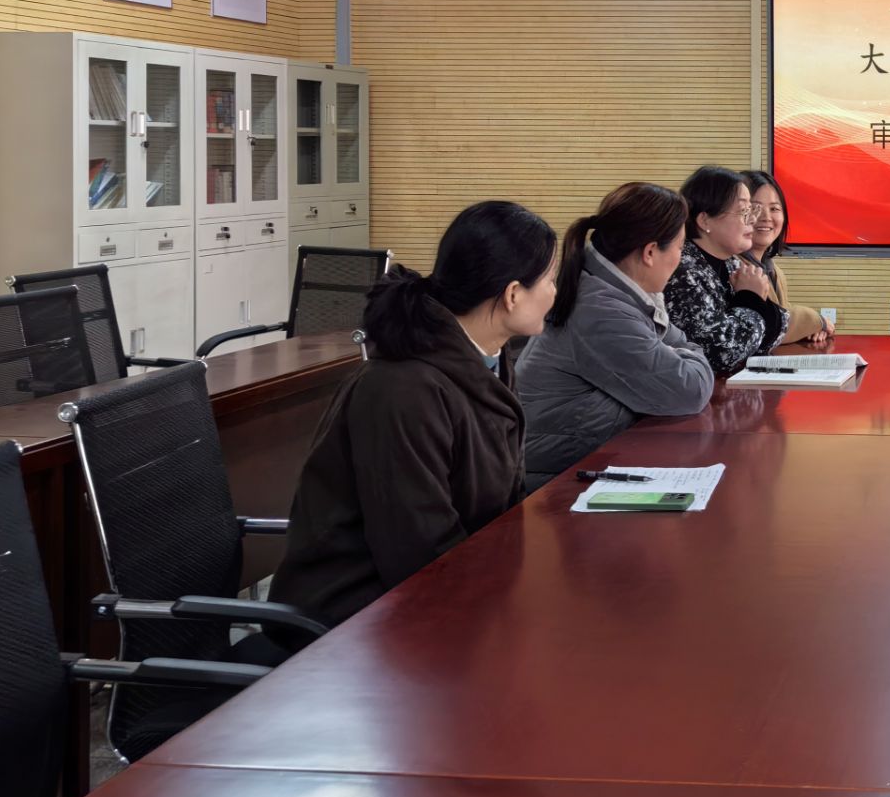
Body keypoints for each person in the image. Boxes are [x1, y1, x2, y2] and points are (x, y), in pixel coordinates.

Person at [268, 201, 557, 640]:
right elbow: (418, 549)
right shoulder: (403, 389)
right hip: (357, 620)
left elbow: (499, 507)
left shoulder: (486, 359)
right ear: (513, 294)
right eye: (550, 279)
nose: (555, 292)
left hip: (447, 594)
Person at [516, 182, 716, 485]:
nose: (681, 258)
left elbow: (684, 349)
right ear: (650, 252)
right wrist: (678, 354)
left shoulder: (614, 290)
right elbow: (690, 389)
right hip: (556, 486)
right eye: (680, 247)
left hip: (590, 467)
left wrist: (676, 354)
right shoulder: (601, 311)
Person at [663, 165, 788, 377]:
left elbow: (776, 330)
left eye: (750, 211)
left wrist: (752, 309)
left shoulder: (733, 264)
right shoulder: (683, 271)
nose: (752, 220)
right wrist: (750, 298)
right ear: (704, 220)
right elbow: (722, 354)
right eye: (743, 211)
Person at [738, 169, 833, 346]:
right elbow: (768, 325)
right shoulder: (734, 268)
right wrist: (816, 320)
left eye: (774, 208)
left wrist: (809, 328)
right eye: (755, 208)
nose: (766, 217)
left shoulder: (774, 271)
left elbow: (783, 317)